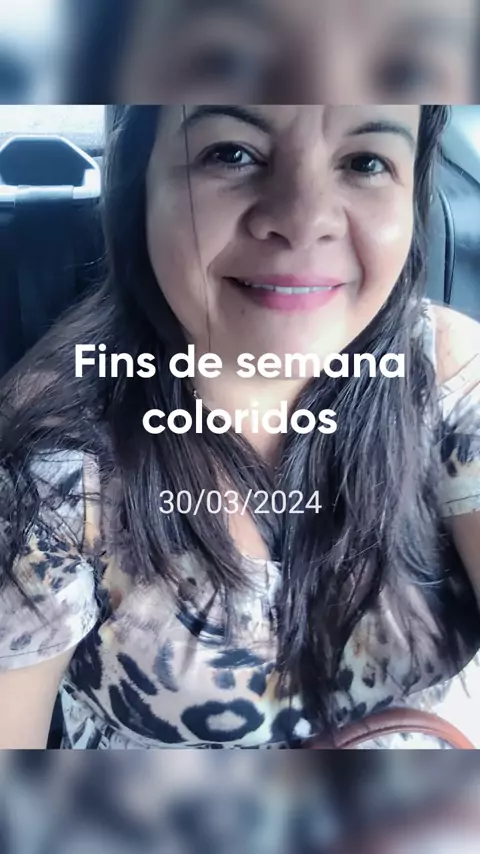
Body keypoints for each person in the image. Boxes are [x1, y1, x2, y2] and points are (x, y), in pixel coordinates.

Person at [0, 104, 479, 749]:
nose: (305, 219)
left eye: (365, 161)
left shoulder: (450, 376)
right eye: (231, 153)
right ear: (140, 183)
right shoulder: (47, 464)